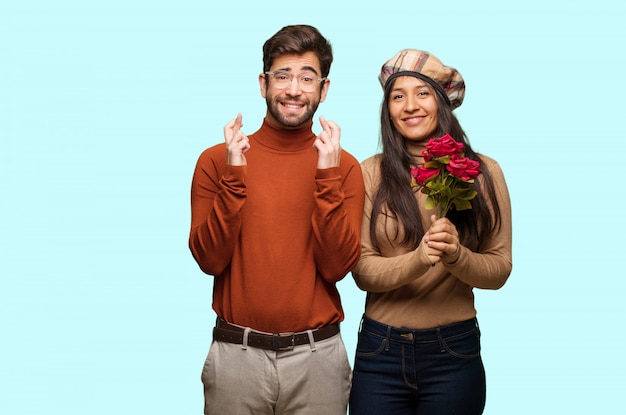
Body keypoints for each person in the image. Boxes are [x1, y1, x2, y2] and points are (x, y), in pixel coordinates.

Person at [188, 24, 365, 415]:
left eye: (307, 77)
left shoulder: (344, 168)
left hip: (318, 358)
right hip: (237, 354)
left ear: (324, 88)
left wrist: (326, 177)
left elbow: (336, 268)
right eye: (282, 76)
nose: (294, 89)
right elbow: (209, 260)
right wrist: (235, 177)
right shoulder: (217, 160)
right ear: (263, 83)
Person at [348, 49, 513, 414]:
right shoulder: (369, 172)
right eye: (397, 96)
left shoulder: (484, 172)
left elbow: (499, 269)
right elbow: (361, 271)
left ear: (442, 102)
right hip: (381, 351)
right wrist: (420, 259)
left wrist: (457, 256)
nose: (410, 106)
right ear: (387, 109)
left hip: (453, 351)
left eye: (422, 93)